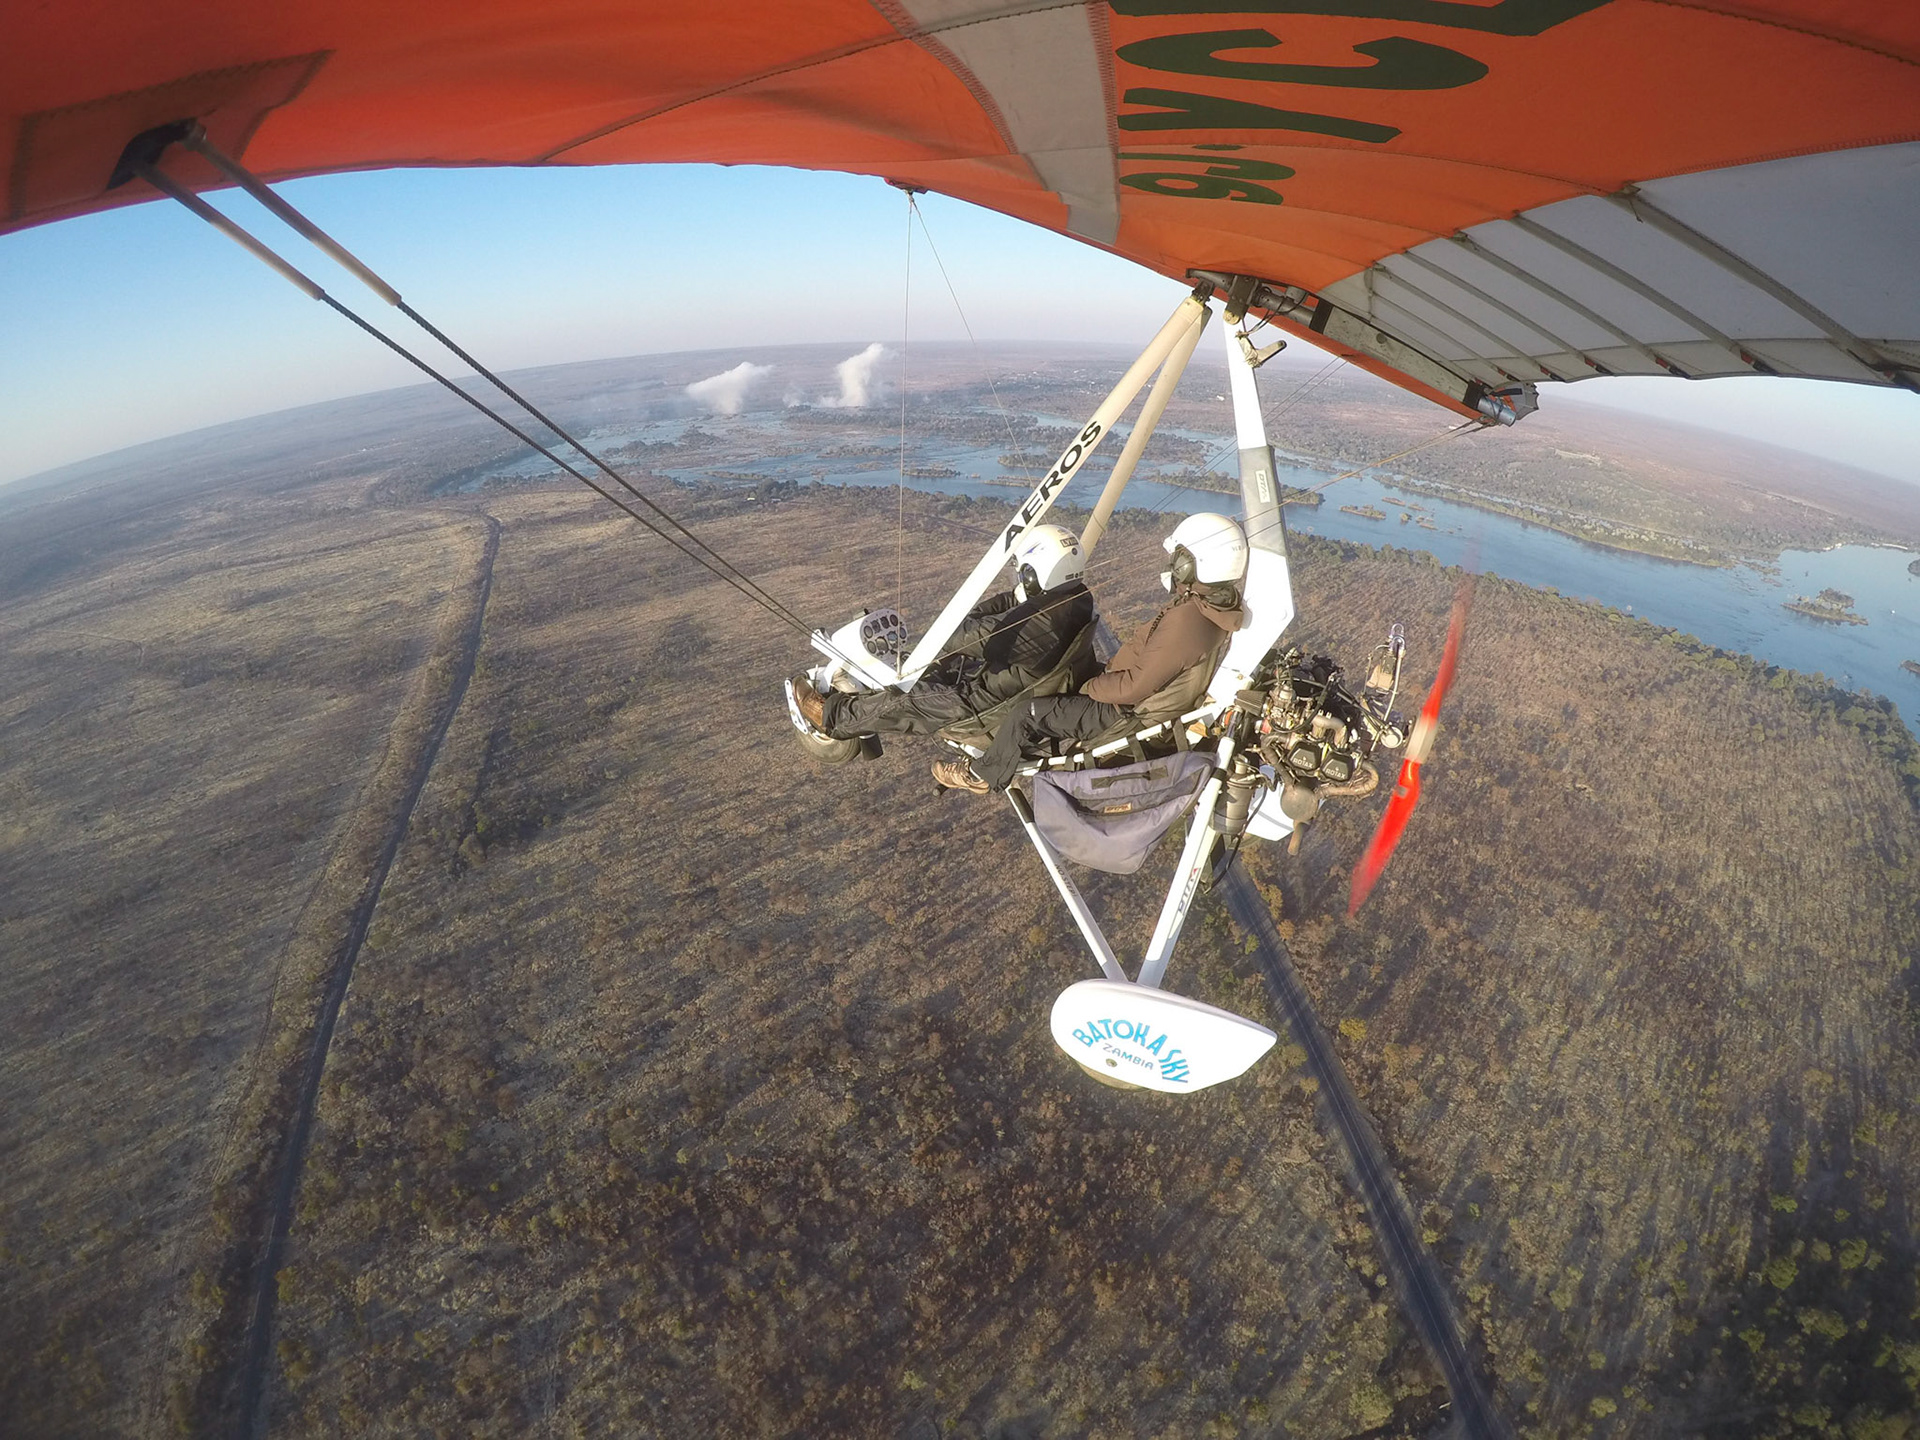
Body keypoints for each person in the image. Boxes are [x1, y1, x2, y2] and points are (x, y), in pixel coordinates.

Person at [932, 512, 1248, 794]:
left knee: (1027, 714)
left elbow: (1133, 688)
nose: (1173, 566)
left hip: (1124, 714)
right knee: (1059, 681)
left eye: (1179, 557)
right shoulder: (1212, 609)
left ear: (1191, 564)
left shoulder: (1188, 621)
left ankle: (983, 775)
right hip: (1125, 697)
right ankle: (1010, 751)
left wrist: (1086, 687)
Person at [792, 524, 1096, 740]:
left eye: (1023, 572)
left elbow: (965, 635)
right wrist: (1014, 597)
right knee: (935, 665)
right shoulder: (1074, 598)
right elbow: (1005, 609)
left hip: (984, 703)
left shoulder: (1039, 630)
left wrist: (950, 628)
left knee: (908, 700)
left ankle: (831, 718)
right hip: (1007, 679)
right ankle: (866, 690)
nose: (1020, 579)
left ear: (1032, 574)